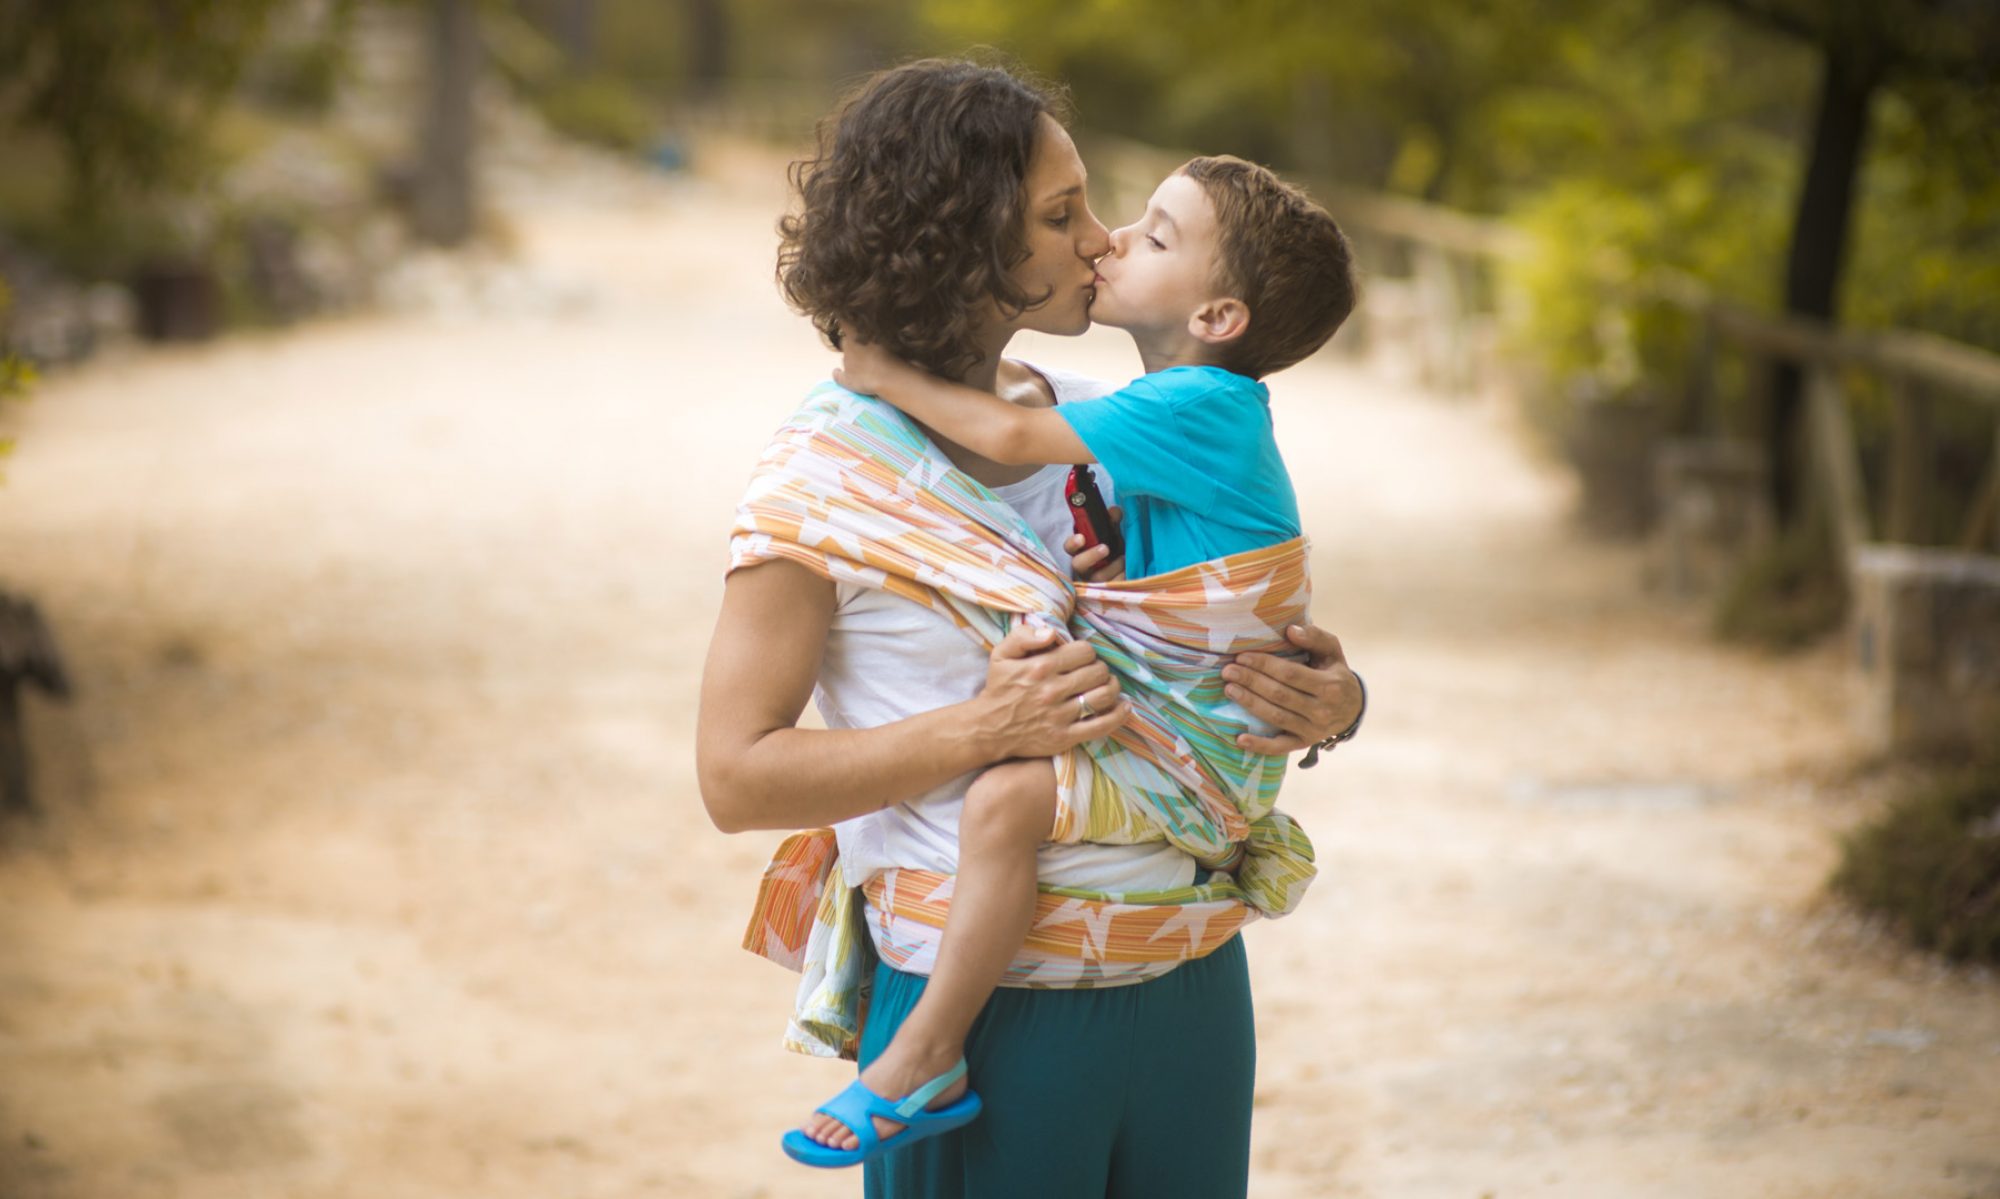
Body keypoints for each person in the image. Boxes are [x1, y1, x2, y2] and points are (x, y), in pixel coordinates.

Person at [696, 58, 1365, 1198]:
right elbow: (734, 778)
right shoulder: (824, 483)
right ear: (958, 251)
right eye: (1062, 218)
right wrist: (981, 726)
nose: (1103, 241)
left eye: (1099, 209)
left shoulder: (1067, 425)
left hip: (1188, 980)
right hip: (988, 1014)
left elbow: (1190, 642)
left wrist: (1329, 700)